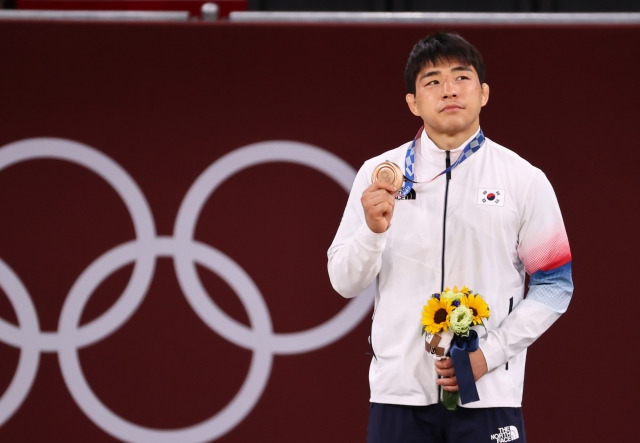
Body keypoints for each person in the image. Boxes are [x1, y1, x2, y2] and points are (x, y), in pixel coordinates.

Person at [327, 32, 573, 442]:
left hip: (489, 395)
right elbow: (344, 282)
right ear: (413, 102)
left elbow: (554, 285)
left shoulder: (523, 179)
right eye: (432, 81)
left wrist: (487, 356)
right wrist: (372, 232)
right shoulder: (379, 174)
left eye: (462, 77)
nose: (449, 90)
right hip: (398, 395)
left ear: (484, 93)